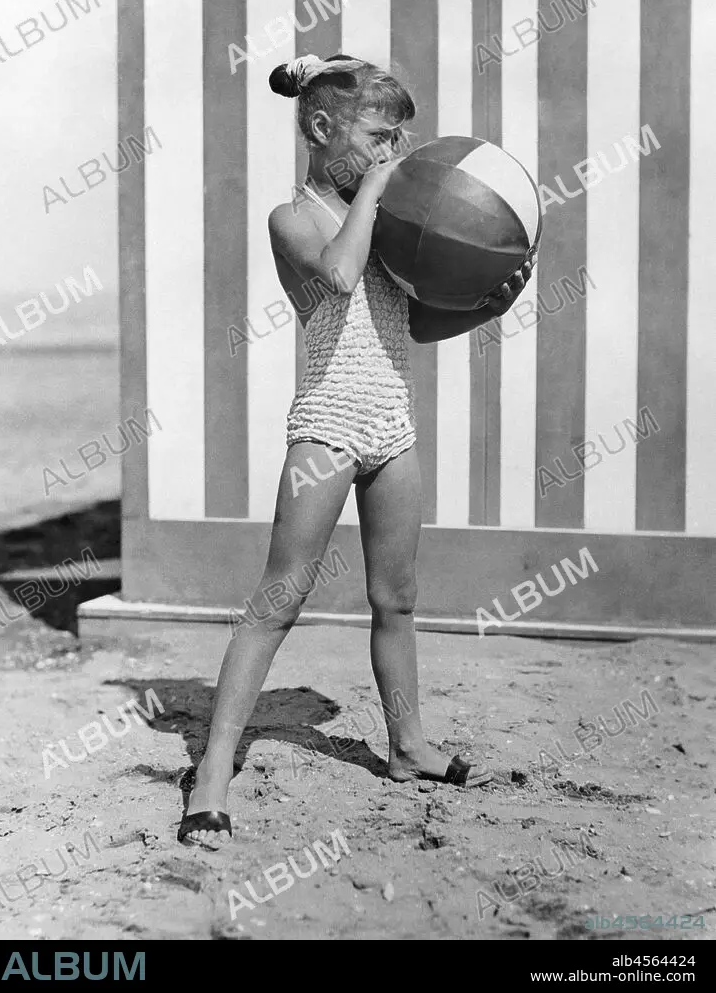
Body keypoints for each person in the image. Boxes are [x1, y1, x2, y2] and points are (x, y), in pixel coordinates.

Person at [178, 53, 534, 847]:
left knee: (396, 599)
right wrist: (376, 188)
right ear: (320, 129)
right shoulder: (293, 216)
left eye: (398, 137)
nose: (391, 151)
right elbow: (336, 279)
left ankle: (407, 745)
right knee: (278, 599)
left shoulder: (386, 223)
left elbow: (409, 324)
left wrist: (484, 304)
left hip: (391, 426)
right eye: (378, 135)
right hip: (327, 426)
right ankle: (211, 769)